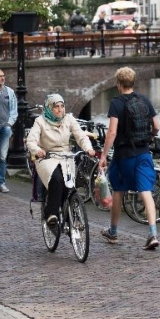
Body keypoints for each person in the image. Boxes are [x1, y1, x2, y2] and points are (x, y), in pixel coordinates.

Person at [99, 66, 160, 250]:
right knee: (146, 192)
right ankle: (153, 233)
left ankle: (113, 232)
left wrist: (103, 155)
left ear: (118, 84)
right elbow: (156, 126)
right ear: (133, 82)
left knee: (118, 190)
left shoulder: (116, 103)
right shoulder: (144, 100)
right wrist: (149, 137)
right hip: (143, 152)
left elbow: (112, 132)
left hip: (123, 155)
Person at [27, 93, 96, 226]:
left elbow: (80, 136)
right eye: (56, 107)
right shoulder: (40, 122)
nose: (60, 110)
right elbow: (31, 141)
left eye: (62, 106)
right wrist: (37, 150)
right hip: (46, 157)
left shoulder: (69, 119)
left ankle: (69, 217)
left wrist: (88, 148)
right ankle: (51, 213)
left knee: (69, 186)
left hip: (66, 156)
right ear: (49, 108)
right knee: (57, 179)